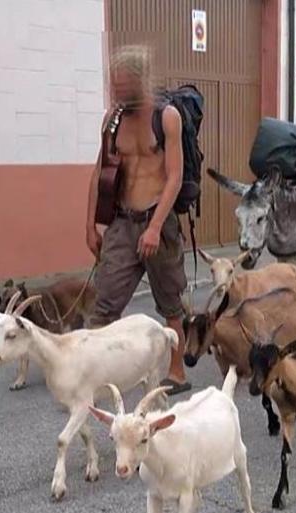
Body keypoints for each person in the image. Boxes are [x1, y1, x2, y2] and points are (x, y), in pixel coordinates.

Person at [85, 45, 190, 394]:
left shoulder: (167, 117)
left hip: (158, 220)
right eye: (114, 85)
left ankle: (177, 373)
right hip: (122, 223)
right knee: (104, 302)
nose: (116, 92)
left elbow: (174, 176)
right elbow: (100, 171)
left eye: (123, 86)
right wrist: (90, 224)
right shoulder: (112, 120)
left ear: (141, 81)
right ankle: (96, 376)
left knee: (170, 303)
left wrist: (157, 226)